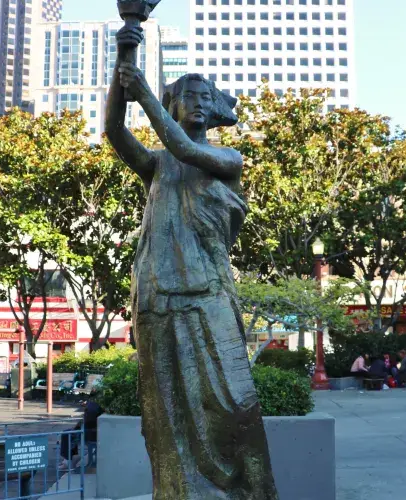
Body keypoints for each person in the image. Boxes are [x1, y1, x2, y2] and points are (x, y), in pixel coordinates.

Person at [106, 24, 278, 497]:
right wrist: (126, 50)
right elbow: (114, 131)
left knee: (233, 401)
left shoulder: (227, 157)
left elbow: (183, 147)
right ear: (175, 104)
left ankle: (246, 490)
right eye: (188, 96)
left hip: (208, 291)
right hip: (157, 291)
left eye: (206, 96)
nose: (198, 102)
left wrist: (144, 93)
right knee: (165, 407)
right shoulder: (156, 165)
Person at [59, 396, 105, 471]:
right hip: (94, 431)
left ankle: (68, 461)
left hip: (91, 433)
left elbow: (88, 421)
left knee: (67, 434)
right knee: (69, 433)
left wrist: (78, 426)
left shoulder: (93, 405)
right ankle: (71, 458)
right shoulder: (96, 403)